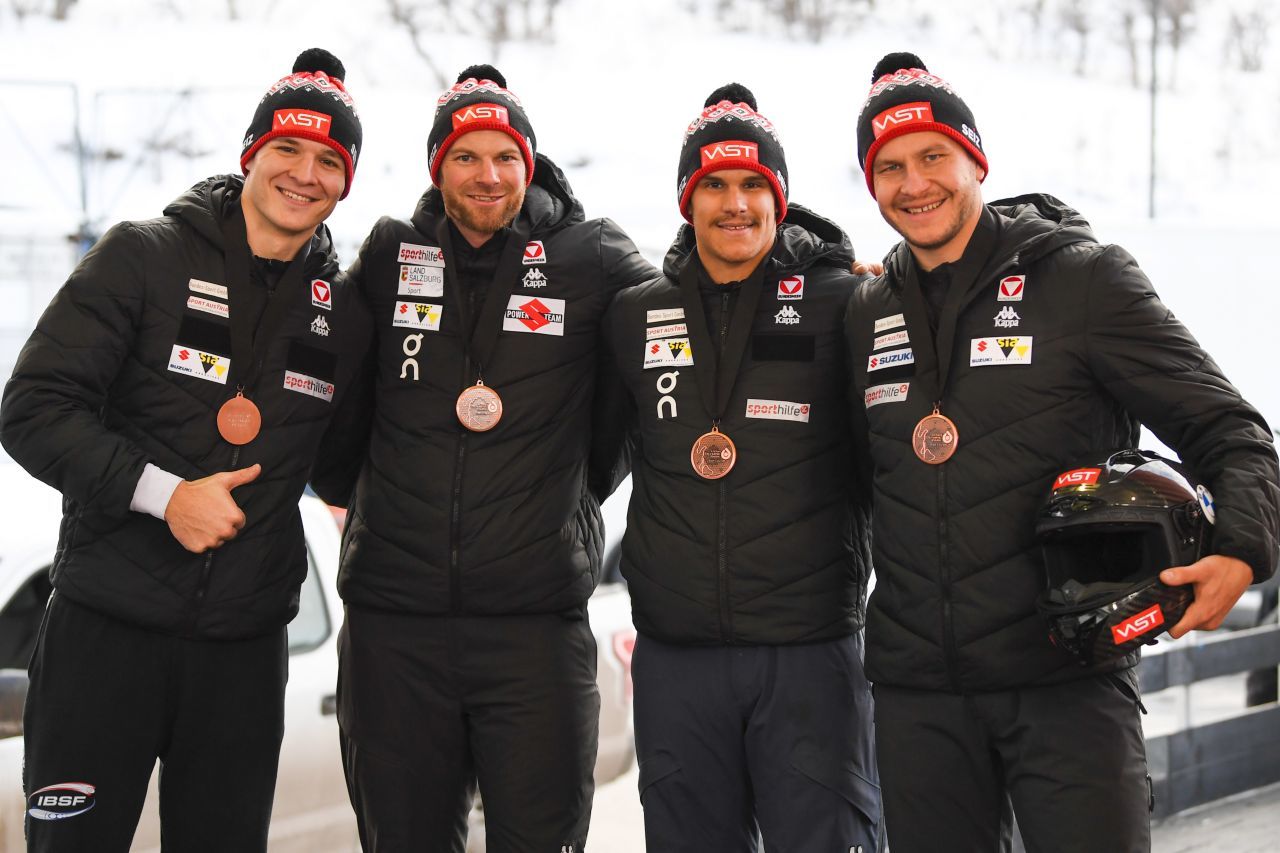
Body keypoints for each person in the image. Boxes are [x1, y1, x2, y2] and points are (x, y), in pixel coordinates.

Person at [845, 52, 1280, 852]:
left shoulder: (1083, 281)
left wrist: (1244, 551)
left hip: (1066, 681)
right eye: (890, 167)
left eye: (933, 156)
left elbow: (1232, 429)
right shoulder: (864, 308)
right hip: (918, 694)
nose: (914, 184)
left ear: (976, 158)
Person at [0, 49, 371, 852]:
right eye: (288, 150)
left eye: (329, 160)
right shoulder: (144, 255)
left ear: (346, 181)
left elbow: (346, 462)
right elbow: (31, 409)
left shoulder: (341, 313)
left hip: (242, 653)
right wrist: (164, 493)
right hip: (105, 630)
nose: (305, 174)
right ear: (251, 155)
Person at [309, 64, 653, 853]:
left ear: (529, 163)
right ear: (439, 167)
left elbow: (687, 313)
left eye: (505, 155)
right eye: (466, 156)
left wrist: (578, 486)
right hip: (395, 627)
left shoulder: (589, 256)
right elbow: (334, 378)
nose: (488, 174)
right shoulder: (392, 255)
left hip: (533, 627)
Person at [598, 83, 881, 853]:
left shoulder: (846, 301)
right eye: (714, 185)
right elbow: (589, 457)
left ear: (779, 197)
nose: (735, 204)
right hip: (677, 656)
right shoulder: (636, 313)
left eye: (754, 184)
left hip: (809, 651)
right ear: (687, 199)